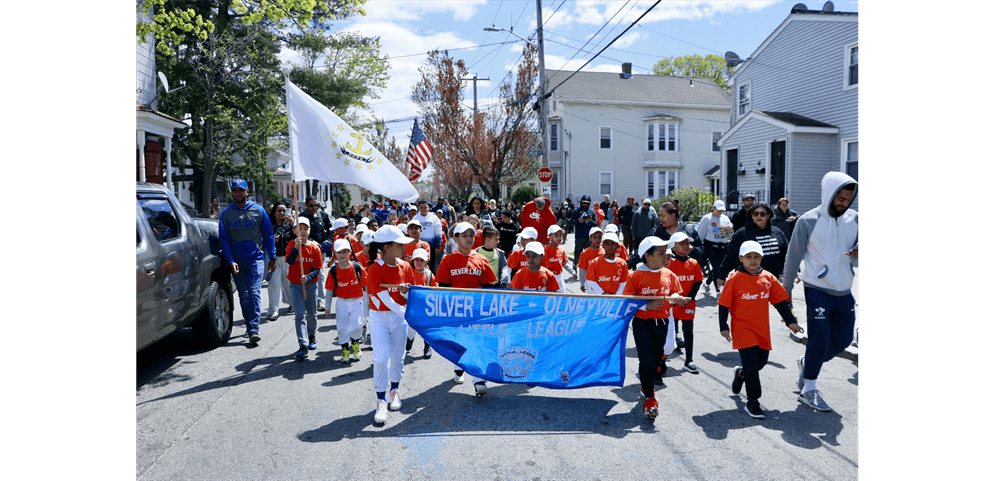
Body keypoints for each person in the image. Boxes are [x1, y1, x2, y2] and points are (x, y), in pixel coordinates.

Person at [781, 172, 858, 413]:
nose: (843, 203)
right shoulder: (807, 220)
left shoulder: (856, 219)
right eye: (840, 198)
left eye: (847, 199)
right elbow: (793, 256)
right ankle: (809, 389)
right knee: (821, 337)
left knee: (844, 340)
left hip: (844, 289)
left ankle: (807, 363)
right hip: (817, 289)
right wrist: (786, 292)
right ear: (829, 194)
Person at [718, 241, 801, 419]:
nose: (753, 260)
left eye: (756, 256)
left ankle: (741, 374)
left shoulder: (768, 278)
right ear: (741, 258)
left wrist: (791, 322)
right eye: (748, 257)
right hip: (742, 329)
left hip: (762, 329)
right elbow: (723, 304)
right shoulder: (734, 279)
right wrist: (723, 326)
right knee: (752, 367)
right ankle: (753, 401)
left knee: (760, 363)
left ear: (762, 257)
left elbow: (779, 301)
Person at [622, 237, 689, 419]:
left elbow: (675, 292)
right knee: (647, 359)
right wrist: (645, 306)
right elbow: (627, 301)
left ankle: (646, 384)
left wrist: (677, 298)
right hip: (643, 324)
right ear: (647, 255)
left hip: (664, 323)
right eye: (660, 253)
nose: (665, 257)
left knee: (657, 358)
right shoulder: (635, 275)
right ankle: (650, 398)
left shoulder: (668, 274)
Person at [435, 222, 498, 396]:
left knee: (476, 343)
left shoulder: (481, 259)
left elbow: (488, 287)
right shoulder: (448, 260)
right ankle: (458, 369)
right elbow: (443, 287)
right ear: (455, 238)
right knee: (459, 344)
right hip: (456, 312)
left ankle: (478, 379)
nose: (469, 239)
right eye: (464, 236)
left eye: (471, 235)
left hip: (476, 313)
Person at [366, 225, 417, 424]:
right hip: (380, 318)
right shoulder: (374, 269)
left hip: (399, 319)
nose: (404, 248)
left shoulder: (406, 266)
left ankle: (394, 390)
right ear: (386, 247)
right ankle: (380, 400)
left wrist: (405, 291)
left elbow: (408, 295)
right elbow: (385, 300)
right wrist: (409, 315)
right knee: (380, 359)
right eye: (399, 244)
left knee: (398, 358)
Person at [218, 179, 277, 344]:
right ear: (232, 193)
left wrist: (272, 256)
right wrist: (230, 260)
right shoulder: (226, 214)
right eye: (235, 191)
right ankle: (249, 323)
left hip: (256, 259)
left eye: (241, 190)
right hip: (237, 261)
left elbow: (269, 234)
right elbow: (224, 239)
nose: (238, 193)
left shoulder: (258, 211)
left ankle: (253, 329)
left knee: (254, 292)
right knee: (244, 295)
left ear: (247, 192)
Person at [716, 202, 789, 289]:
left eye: (762, 214)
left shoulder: (777, 232)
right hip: (748, 280)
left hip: (772, 280)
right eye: (755, 213)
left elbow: (787, 253)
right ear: (751, 215)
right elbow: (730, 256)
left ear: (768, 215)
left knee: (782, 302)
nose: (759, 216)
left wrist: (795, 271)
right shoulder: (742, 233)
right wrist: (722, 276)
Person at [285, 217, 323, 359]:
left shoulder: (314, 248)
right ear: (294, 230)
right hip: (295, 285)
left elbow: (317, 268)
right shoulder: (291, 245)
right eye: (299, 228)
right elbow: (289, 260)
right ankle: (303, 344)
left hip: (311, 284)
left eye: (305, 228)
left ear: (309, 230)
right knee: (300, 315)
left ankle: (311, 335)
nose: (302, 231)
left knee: (311, 313)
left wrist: (308, 277)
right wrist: (296, 247)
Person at [666, 232, 703, 374]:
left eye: (687, 243)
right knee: (669, 329)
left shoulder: (693, 262)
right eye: (682, 243)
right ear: (673, 247)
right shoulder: (669, 263)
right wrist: (674, 300)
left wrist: (690, 298)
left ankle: (689, 360)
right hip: (672, 303)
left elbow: (697, 281)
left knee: (688, 331)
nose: (686, 246)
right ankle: (665, 353)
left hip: (688, 304)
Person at [327, 238, 367, 363]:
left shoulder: (357, 267)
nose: (342, 255)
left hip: (357, 300)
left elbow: (366, 286)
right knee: (342, 326)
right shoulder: (333, 271)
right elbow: (329, 290)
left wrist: (371, 301)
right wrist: (327, 307)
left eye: (345, 252)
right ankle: (344, 348)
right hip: (342, 301)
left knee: (358, 324)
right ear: (335, 254)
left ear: (350, 252)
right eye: (339, 252)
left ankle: (355, 343)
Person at [302, 196, 332, 312]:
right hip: (306, 249)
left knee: (319, 273)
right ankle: (307, 299)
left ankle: (321, 300)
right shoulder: (302, 217)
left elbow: (330, 229)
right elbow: (299, 232)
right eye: (311, 205)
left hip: (320, 250)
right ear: (306, 205)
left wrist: (329, 242)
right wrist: (312, 242)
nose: (314, 208)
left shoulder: (322, 215)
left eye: (316, 205)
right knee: (307, 274)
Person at [405, 248, 437, 359]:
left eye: (421, 260)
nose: (419, 262)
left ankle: (427, 347)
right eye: (416, 260)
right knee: (411, 328)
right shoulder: (408, 272)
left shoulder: (428, 274)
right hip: (411, 306)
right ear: (412, 261)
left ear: (426, 262)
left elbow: (434, 289)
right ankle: (409, 342)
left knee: (426, 328)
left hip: (425, 307)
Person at [265, 202, 294, 320]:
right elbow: (263, 240)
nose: (282, 213)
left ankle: (292, 303)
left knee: (288, 282)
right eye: (279, 211)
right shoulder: (269, 225)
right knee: (274, 284)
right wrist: (272, 241)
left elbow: (298, 236)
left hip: (288, 258)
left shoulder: (290, 225)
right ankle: (273, 310)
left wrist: (293, 224)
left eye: (284, 211)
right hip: (274, 259)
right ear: (274, 213)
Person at [697, 200, 733, 293]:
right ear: (714, 208)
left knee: (720, 267)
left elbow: (729, 236)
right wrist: (699, 247)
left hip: (723, 246)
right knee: (717, 268)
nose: (720, 212)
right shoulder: (707, 218)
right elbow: (700, 233)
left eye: (722, 210)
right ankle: (719, 290)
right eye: (719, 210)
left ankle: (707, 283)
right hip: (711, 246)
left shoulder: (726, 218)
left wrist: (730, 231)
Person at [542, 225, 577, 292]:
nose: (559, 238)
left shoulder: (562, 250)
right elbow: (544, 267)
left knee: (562, 295)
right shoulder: (546, 250)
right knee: (550, 296)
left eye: (561, 235)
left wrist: (573, 272)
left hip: (559, 276)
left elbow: (565, 264)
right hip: (549, 277)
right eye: (556, 236)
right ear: (549, 237)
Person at [412, 200, 444, 272]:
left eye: (425, 207)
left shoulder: (434, 218)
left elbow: (438, 233)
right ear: (419, 208)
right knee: (418, 264)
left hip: (432, 246)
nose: (424, 209)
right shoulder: (416, 218)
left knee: (432, 265)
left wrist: (437, 246)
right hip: (419, 246)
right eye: (422, 207)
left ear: (428, 208)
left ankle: (432, 281)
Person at [570, 195, 598, 262]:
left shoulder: (592, 212)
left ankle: (589, 269)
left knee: (589, 254)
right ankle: (575, 267)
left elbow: (596, 224)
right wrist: (578, 221)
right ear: (581, 203)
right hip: (579, 236)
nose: (585, 205)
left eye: (587, 203)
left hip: (588, 237)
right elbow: (571, 222)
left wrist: (590, 221)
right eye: (584, 203)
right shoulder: (576, 211)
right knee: (577, 253)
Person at [576, 227, 605, 292]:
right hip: (590, 281)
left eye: (599, 237)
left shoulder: (605, 251)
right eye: (595, 237)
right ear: (590, 239)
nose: (597, 240)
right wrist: (582, 284)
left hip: (603, 280)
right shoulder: (585, 253)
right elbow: (582, 270)